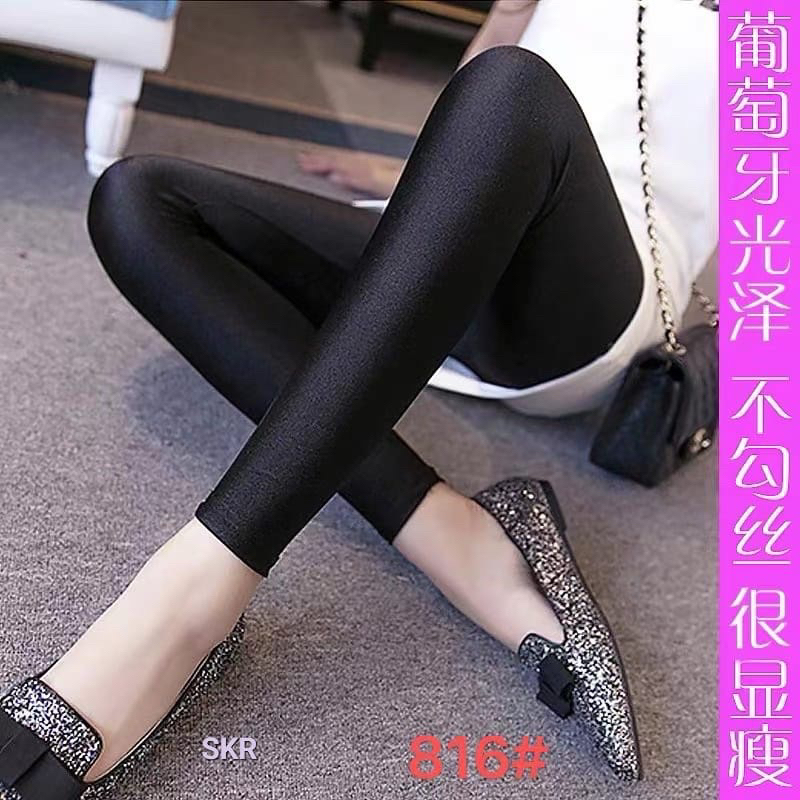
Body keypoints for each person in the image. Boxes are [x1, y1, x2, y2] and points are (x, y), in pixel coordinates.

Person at [0, 1, 717, 796]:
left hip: (586, 311)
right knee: (138, 202)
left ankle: (191, 598)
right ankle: (449, 531)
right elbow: (484, 89)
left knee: (517, 90)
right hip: (472, 226)